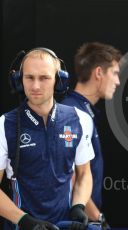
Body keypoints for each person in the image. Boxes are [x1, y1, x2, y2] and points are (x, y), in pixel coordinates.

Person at [0, 48, 94, 230]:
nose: (35, 86)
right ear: (19, 80)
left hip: (64, 225)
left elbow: (84, 174)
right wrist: (24, 220)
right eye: (29, 77)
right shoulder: (4, 125)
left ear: (59, 81)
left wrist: (78, 206)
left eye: (44, 78)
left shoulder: (79, 119)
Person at [61, 42, 121, 225]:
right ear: (98, 73)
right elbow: (68, 176)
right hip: (72, 220)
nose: (118, 81)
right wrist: (97, 218)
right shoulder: (72, 113)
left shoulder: (82, 112)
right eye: (115, 73)